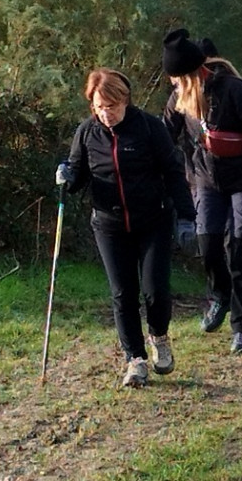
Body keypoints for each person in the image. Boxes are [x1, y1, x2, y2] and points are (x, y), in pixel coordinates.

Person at [58, 67, 196, 388]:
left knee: (155, 289)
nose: (106, 114)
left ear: (125, 100)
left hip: (153, 221)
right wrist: (66, 175)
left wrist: (186, 217)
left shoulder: (149, 127)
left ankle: (159, 337)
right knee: (123, 293)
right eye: (99, 107)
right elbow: (78, 175)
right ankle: (135, 359)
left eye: (112, 106)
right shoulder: (87, 133)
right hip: (109, 224)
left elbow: (173, 172)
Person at [162, 28, 242, 353]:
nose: (172, 85)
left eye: (176, 79)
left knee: (241, 250)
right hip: (204, 179)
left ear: (191, 75)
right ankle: (219, 295)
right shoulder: (178, 99)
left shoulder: (234, 90)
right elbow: (163, 137)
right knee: (208, 244)